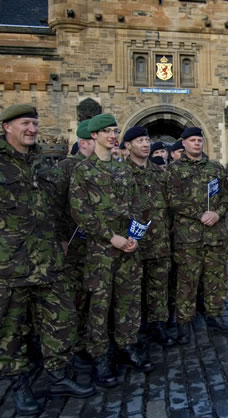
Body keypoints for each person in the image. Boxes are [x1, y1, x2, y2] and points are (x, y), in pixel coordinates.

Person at [1, 104, 94, 415]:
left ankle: (57, 375)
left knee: (62, 320)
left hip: (49, 261)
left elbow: (60, 208)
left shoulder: (43, 165)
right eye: (25, 123)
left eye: (35, 123)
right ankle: (19, 385)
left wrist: (64, 241)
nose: (32, 128)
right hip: (9, 266)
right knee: (12, 331)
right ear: (7, 127)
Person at [70, 113, 154, 388]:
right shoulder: (84, 171)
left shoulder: (122, 169)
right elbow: (80, 212)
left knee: (128, 301)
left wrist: (134, 236)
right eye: (106, 131)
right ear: (93, 136)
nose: (112, 135)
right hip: (100, 251)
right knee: (100, 305)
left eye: (115, 130)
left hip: (128, 248)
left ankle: (127, 346)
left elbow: (137, 205)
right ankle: (100, 357)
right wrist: (111, 237)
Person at [167, 126, 228, 345]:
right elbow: (173, 199)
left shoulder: (215, 167)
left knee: (216, 279)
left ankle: (214, 316)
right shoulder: (174, 169)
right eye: (192, 140)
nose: (197, 143)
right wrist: (200, 214)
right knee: (187, 281)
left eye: (199, 140)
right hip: (189, 237)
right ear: (184, 143)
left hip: (215, 235)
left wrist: (217, 213)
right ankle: (184, 323)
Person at [124, 127, 175, 346]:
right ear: (128, 146)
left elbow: (171, 204)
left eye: (147, 140)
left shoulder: (159, 173)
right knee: (131, 291)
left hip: (159, 241)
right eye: (139, 140)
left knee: (159, 287)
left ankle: (158, 326)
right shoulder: (120, 173)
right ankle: (133, 332)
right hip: (131, 244)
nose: (145, 144)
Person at [52, 120, 97, 370]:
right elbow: (56, 208)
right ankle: (75, 348)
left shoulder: (103, 168)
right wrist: (61, 240)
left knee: (94, 298)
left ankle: (93, 343)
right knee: (74, 299)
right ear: (84, 142)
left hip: (97, 247)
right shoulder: (66, 168)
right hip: (73, 247)